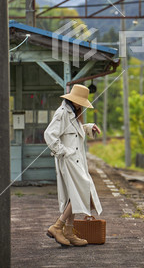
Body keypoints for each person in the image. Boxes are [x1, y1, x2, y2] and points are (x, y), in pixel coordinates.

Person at [44, 84, 102, 247]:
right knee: (81, 190)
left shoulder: (72, 114)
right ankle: (57, 227)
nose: (82, 106)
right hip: (69, 160)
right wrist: (64, 152)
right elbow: (50, 135)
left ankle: (68, 231)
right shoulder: (62, 113)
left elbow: (72, 131)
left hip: (76, 160)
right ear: (76, 101)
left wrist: (88, 127)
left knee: (74, 194)